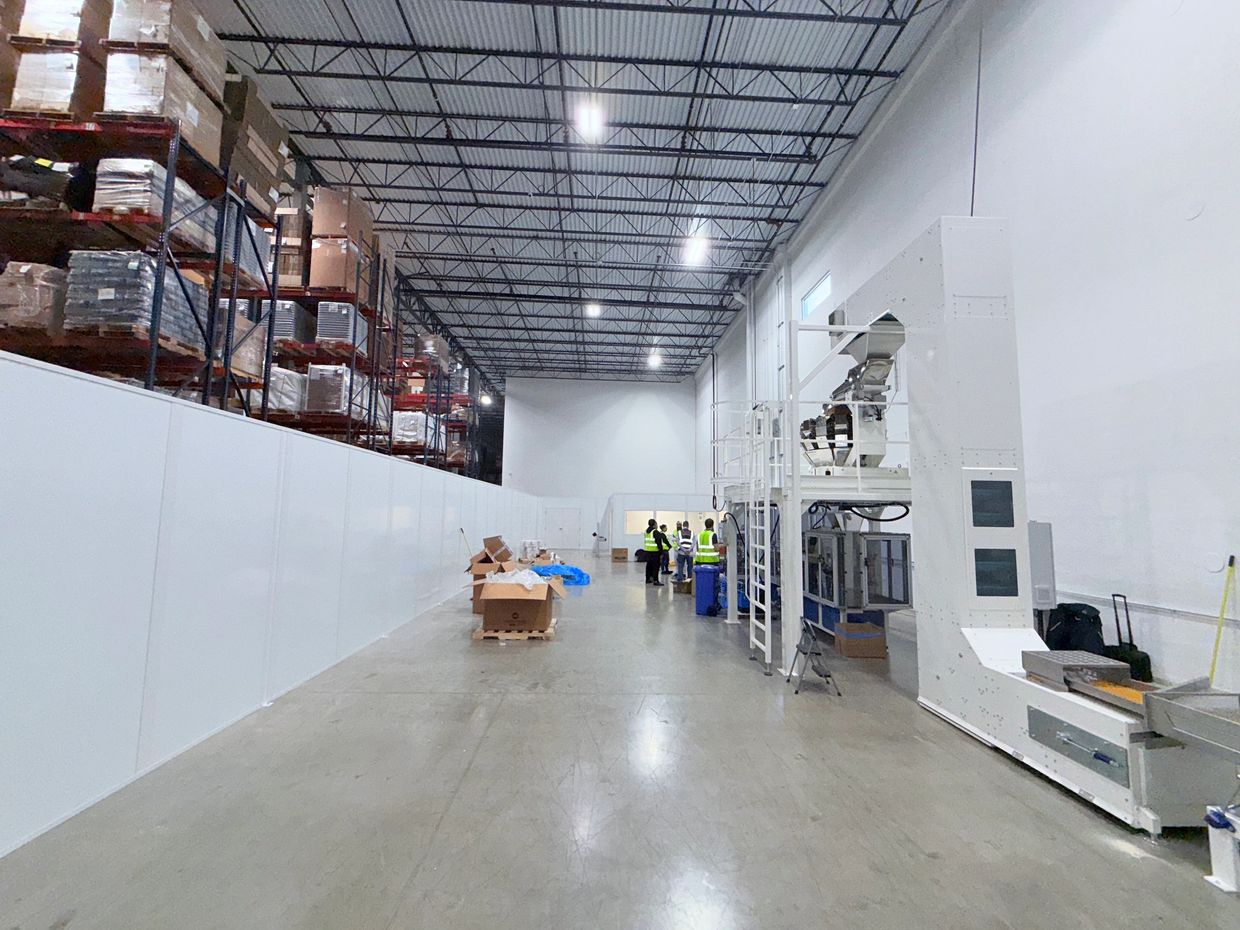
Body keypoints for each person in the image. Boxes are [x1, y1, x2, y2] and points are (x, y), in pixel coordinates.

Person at [643, 519, 670, 586]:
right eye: (656, 524)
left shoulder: (646, 531)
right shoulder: (655, 532)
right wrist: (661, 552)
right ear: (654, 524)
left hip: (647, 551)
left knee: (648, 566)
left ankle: (648, 579)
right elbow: (659, 543)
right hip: (655, 552)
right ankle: (656, 580)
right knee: (656, 567)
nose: (657, 525)